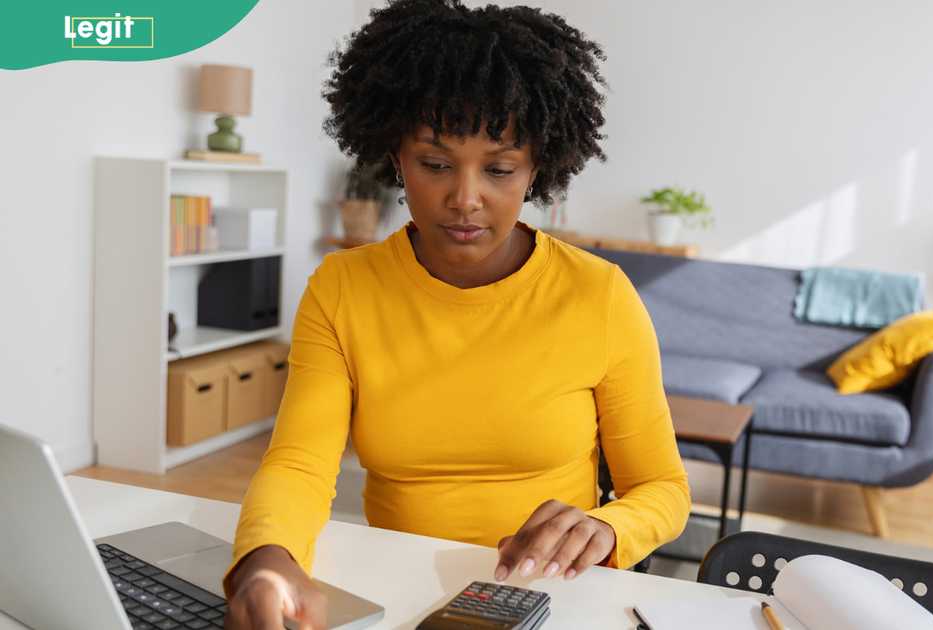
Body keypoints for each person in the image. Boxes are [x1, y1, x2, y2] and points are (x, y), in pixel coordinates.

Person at [222, 1, 690, 627]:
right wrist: (266, 558)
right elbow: (299, 464)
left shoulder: (598, 294)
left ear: (537, 169)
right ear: (395, 156)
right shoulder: (343, 288)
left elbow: (663, 489)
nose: (465, 199)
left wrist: (607, 528)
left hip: (555, 601)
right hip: (401, 594)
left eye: (499, 169)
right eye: (436, 164)